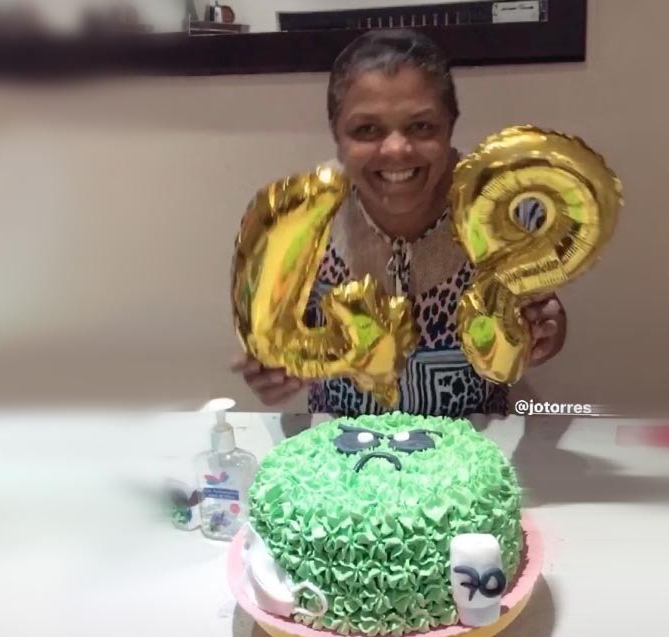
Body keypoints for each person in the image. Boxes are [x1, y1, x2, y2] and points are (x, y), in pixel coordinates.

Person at [231, 29, 566, 416]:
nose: (396, 149)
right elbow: (285, 336)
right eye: (366, 130)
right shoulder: (302, 219)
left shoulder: (505, 213)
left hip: (472, 448)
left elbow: (543, 317)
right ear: (336, 137)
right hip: (340, 450)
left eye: (422, 126)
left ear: (450, 127)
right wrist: (273, 371)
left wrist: (546, 334)